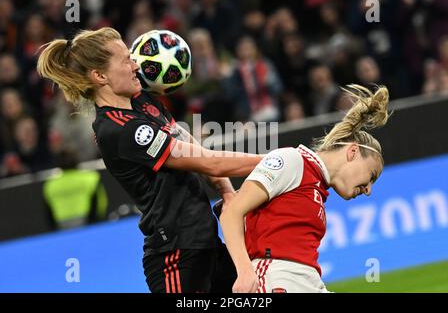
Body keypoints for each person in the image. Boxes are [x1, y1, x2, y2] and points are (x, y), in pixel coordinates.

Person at [36, 27, 262, 293]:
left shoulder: (141, 100)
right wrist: (279, 161)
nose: (136, 65)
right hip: (176, 258)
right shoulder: (119, 130)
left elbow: (188, 142)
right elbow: (206, 161)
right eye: (126, 60)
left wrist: (225, 191)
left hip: (206, 243)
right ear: (100, 76)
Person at [219, 84, 390, 293]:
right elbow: (231, 213)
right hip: (278, 278)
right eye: (371, 176)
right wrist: (245, 271)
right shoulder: (293, 161)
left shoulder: (316, 188)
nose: (369, 190)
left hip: (309, 282)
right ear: (353, 152)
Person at [43, 148, 108, 230]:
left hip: (62, 227)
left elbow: (48, 212)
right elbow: (100, 203)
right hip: (88, 224)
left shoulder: (50, 185)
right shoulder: (91, 178)